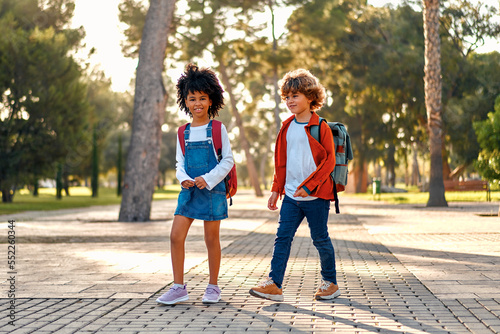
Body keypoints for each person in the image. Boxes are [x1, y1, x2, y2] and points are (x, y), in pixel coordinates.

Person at [249, 69, 340, 302]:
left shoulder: (321, 127)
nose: (290, 101)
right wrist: (275, 189)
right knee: (282, 237)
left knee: (320, 238)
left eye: (295, 95)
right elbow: (281, 162)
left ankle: (330, 282)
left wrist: (309, 187)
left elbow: (329, 162)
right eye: (287, 96)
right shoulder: (286, 127)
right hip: (290, 195)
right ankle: (274, 284)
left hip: (316, 196)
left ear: (311, 97)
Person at [156, 63, 234, 305]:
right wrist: (184, 179)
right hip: (189, 192)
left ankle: (213, 286)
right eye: (192, 98)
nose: (197, 103)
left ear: (211, 100)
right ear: (185, 101)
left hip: (212, 192)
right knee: (175, 236)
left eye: (202, 98)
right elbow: (179, 163)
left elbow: (228, 161)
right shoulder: (182, 132)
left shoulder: (218, 129)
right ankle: (179, 287)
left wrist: (207, 179)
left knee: (211, 239)